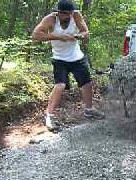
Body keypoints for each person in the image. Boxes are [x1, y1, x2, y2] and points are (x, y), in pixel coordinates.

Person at [32, 0, 105, 130]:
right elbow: (36, 35)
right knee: (60, 85)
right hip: (59, 58)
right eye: (65, 14)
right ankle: (49, 115)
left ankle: (89, 109)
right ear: (59, 12)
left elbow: (85, 32)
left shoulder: (76, 15)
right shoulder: (50, 19)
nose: (68, 16)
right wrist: (59, 37)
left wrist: (78, 36)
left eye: (70, 14)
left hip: (77, 57)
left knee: (86, 83)